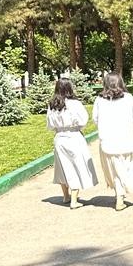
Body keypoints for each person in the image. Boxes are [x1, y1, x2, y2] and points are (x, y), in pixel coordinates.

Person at [46, 78, 98, 209]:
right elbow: (83, 120)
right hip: (74, 136)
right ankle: (74, 200)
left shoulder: (52, 104)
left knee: (62, 167)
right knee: (76, 166)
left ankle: (66, 196)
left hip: (59, 137)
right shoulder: (75, 104)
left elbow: (50, 124)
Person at [93, 73, 133, 211]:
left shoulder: (99, 100)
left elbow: (95, 119)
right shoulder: (128, 97)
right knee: (123, 167)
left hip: (107, 140)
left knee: (113, 169)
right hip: (125, 139)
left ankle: (119, 194)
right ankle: (120, 196)